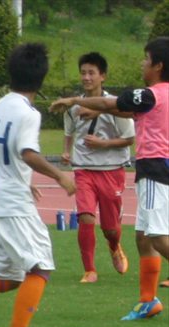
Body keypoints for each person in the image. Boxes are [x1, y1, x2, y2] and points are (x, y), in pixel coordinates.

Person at [0, 43, 75, 327]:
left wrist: (13, 178)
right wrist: (60, 176)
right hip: (13, 203)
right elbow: (28, 153)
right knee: (40, 266)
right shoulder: (28, 113)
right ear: (41, 78)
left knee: (11, 275)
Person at [51, 37, 169, 321]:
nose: (142, 63)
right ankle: (147, 301)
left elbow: (111, 102)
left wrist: (75, 100)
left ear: (158, 65)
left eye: (146, 59)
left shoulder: (152, 94)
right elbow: (121, 109)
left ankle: (147, 300)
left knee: (156, 235)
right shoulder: (158, 97)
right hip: (154, 169)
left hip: (156, 169)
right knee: (143, 237)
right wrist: (101, 107)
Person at [60, 52, 134, 284]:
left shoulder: (117, 106)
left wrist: (104, 144)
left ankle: (114, 245)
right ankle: (89, 269)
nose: (86, 77)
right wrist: (66, 151)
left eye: (91, 73)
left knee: (111, 228)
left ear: (103, 76)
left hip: (112, 169)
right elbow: (69, 131)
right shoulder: (73, 106)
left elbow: (129, 139)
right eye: (83, 73)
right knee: (86, 217)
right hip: (83, 168)